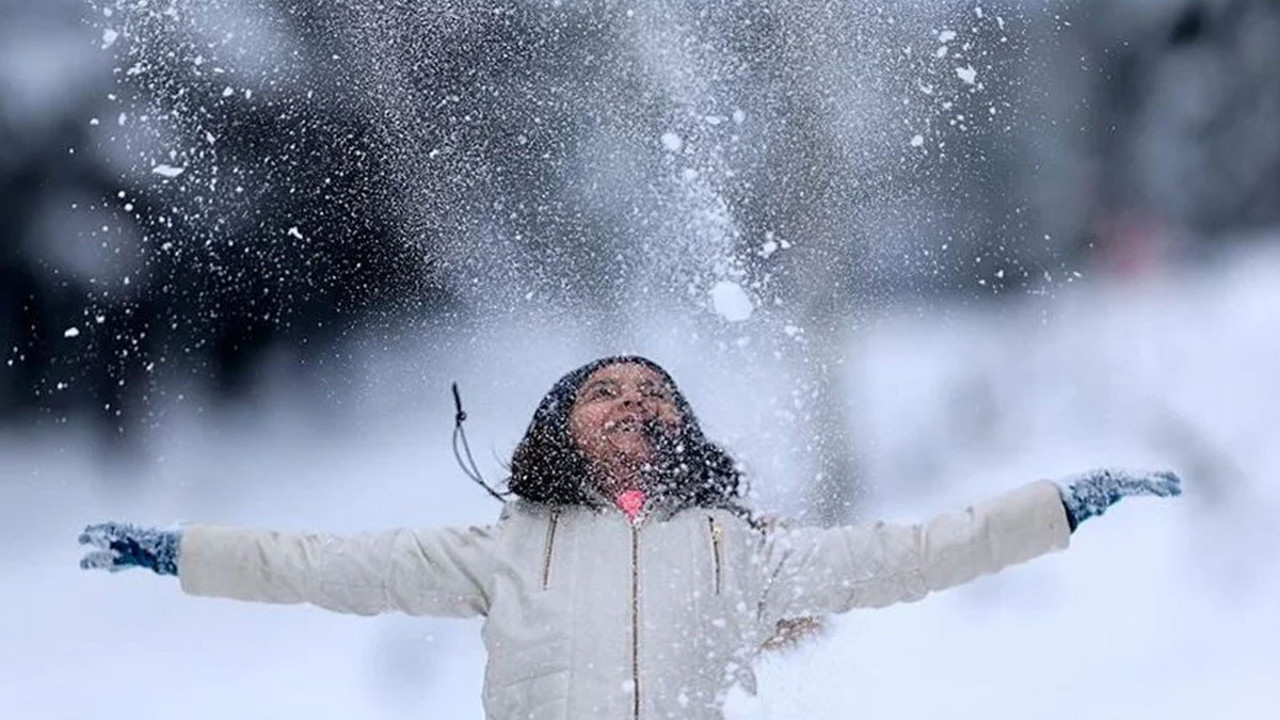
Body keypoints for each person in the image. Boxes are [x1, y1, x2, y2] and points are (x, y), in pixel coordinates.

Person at [79, 355, 1181, 720]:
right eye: (604, 390)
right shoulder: (503, 550)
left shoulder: (741, 553)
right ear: (556, 427)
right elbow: (324, 566)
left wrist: (1059, 505)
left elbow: (914, 553)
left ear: (682, 430)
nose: (633, 402)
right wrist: (183, 552)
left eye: (655, 393)